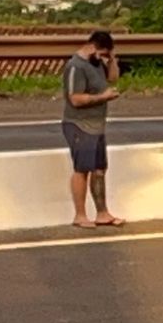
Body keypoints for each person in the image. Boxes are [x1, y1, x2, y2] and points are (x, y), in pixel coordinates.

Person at [61, 31, 125, 228]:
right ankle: (80, 215)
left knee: (99, 169)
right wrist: (102, 98)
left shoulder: (97, 64)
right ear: (93, 48)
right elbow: (75, 99)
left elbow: (113, 78)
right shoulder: (76, 67)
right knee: (82, 169)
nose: (104, 59)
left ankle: (102, 213)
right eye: (103, 54)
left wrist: (112, 60)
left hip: (97, 125)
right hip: (80, 125)